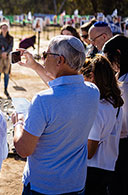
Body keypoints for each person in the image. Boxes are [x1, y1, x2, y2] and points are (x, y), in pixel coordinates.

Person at [12, 35, 100, 194]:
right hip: (75, 183)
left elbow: (24, 149)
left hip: (43, 186)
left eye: (46, 55)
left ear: (59, 60)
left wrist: (18, 123)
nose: (43, 58)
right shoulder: (93, 92)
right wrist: (36, 66)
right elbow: (63, 87)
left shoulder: (43, 100)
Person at [79, 55, 124, 194]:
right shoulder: (114, 102)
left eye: (83, 79)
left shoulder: (96, 108)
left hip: (92, 170)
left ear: (91, 76)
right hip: (108, 166)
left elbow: (90, 152)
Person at [102, 35, 128, 195]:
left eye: (109, 59)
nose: (110, 66)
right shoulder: (121, 78)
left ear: (118, 54)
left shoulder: (125, 84)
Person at [0, 22, 13, 98]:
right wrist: (1, 53)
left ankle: (6, 89)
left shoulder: (11, 38)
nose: (4, 29)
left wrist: (6, 53)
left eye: (6, 28)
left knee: (6, 74)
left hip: (7, 58)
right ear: (0, 29)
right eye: (3, 28)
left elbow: (11, 47)